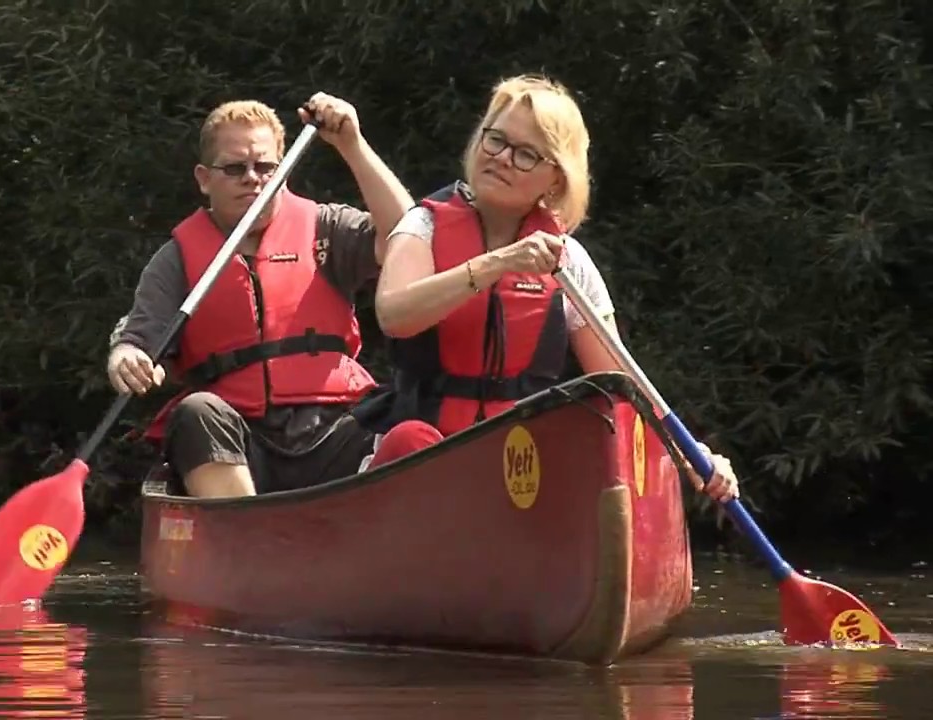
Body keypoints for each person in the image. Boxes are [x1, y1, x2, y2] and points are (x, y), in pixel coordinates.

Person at [355, 74, 739, 503]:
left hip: (516, 466)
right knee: (409, 439)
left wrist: (689, 455)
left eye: (525, 155)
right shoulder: (422, 226)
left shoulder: (568, 262)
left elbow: (622, 384)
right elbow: (393, 315)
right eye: (495, 140)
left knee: (588, 447)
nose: (501, 158)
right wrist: (497, 263)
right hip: (425, 450)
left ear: (555, 178)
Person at [105, 93, 413, 499]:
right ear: (203, 178)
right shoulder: (176, 260)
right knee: (195, 412)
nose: (253, 178)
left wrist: (351, 145)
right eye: (235, 169)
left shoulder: (327, 229)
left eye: (266, 167)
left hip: (336, 428)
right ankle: (248, 535)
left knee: (409, 417)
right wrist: (126, 356)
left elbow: (407, 239)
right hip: (241, 441)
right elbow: (139, 338)